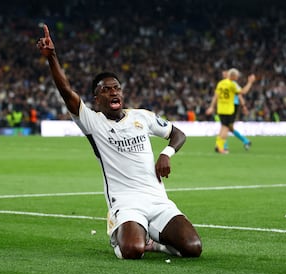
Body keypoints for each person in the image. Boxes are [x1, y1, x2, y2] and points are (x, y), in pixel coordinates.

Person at [37, 24, 202, 259]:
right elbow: (66, 91)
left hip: (157, 200)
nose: (114, 93)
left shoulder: (142, 116)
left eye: (117, 88)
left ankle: (155, 244)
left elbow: (179, 134)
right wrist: (52, 56)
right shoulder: (93, 122)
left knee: (193, 247)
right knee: (132, 251)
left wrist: (166, 153)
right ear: (96, 99)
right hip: (125, 203)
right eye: (106, 90)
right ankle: (122, 235)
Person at [206, 68, 255, 154]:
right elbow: (242, 93)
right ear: (233, 76)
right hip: (229, 109)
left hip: (220, 108)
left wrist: (212, 107)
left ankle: (219, 146)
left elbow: (216, 96)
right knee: (226, 128)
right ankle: (222, 147)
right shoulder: (232, 84)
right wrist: (250, 82)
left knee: (224, 127)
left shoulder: (220, 83)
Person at [221, 70, 252, 152]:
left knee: (225, 127)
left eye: (225, 74)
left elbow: (240, 95)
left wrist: (244, 106)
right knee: (229, 127)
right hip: (228, 106)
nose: (223, 75)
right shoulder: (224, 84)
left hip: (232, 106)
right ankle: (246, 141)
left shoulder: (232, 84)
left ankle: (224, 146)